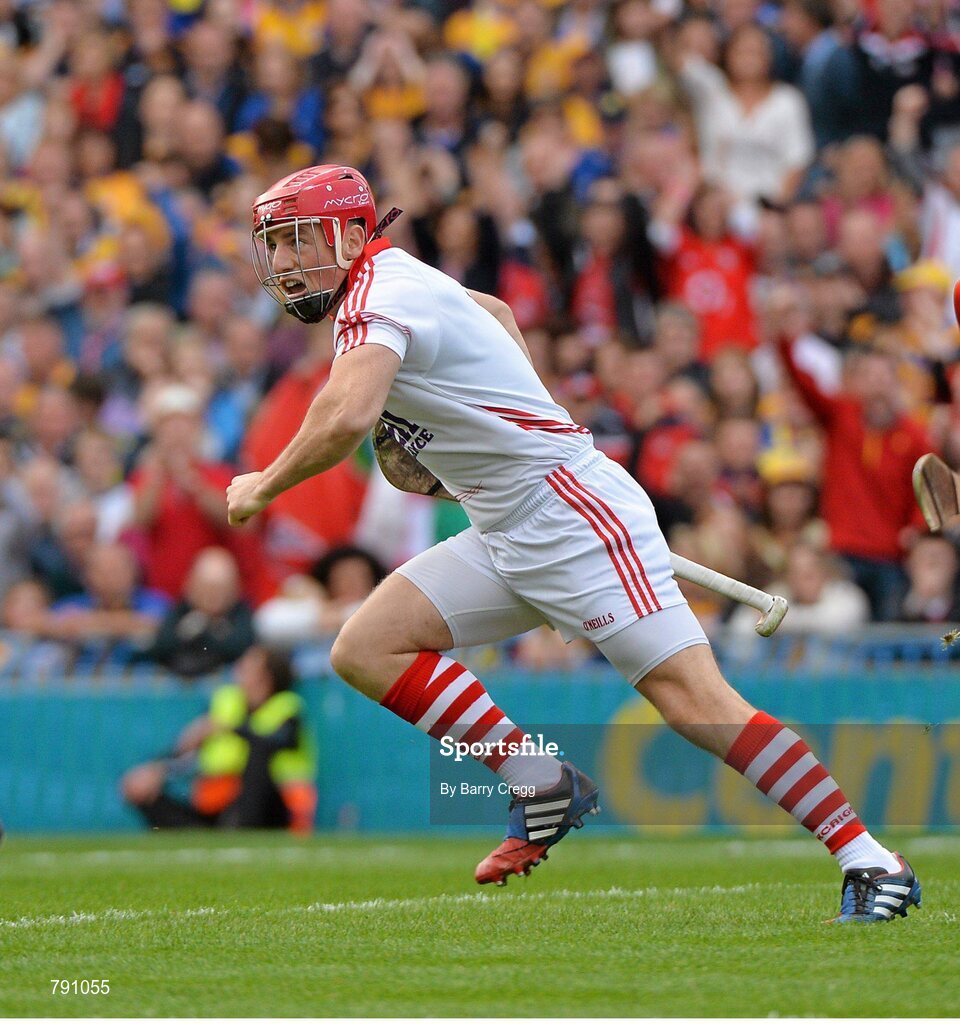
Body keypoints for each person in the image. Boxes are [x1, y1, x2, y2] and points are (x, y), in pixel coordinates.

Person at [225, 164, 920, 922]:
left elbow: (344, 418)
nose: (288, 263)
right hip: (506, 522)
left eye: (301, 241)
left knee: (698, 706)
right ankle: (540, 781)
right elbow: (489, 310)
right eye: (279, 247)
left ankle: (870, 859)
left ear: (356, 235)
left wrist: (262, 484)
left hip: (573, 518)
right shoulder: (395, 280)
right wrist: (512, 418)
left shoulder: (380, 296)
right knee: (366, 647)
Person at [121, 645, 317, 832]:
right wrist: (160, 767)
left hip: (275, 806)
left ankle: (237, 828)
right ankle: (202, 834)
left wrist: (230, 729)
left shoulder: (287, 707)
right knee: (144, 786)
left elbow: (278, 741)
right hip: (221, 803)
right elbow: (188, 753)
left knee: (259, 755)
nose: (238, 673)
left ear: (267, 676)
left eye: (247, 668)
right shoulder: (226, 702)